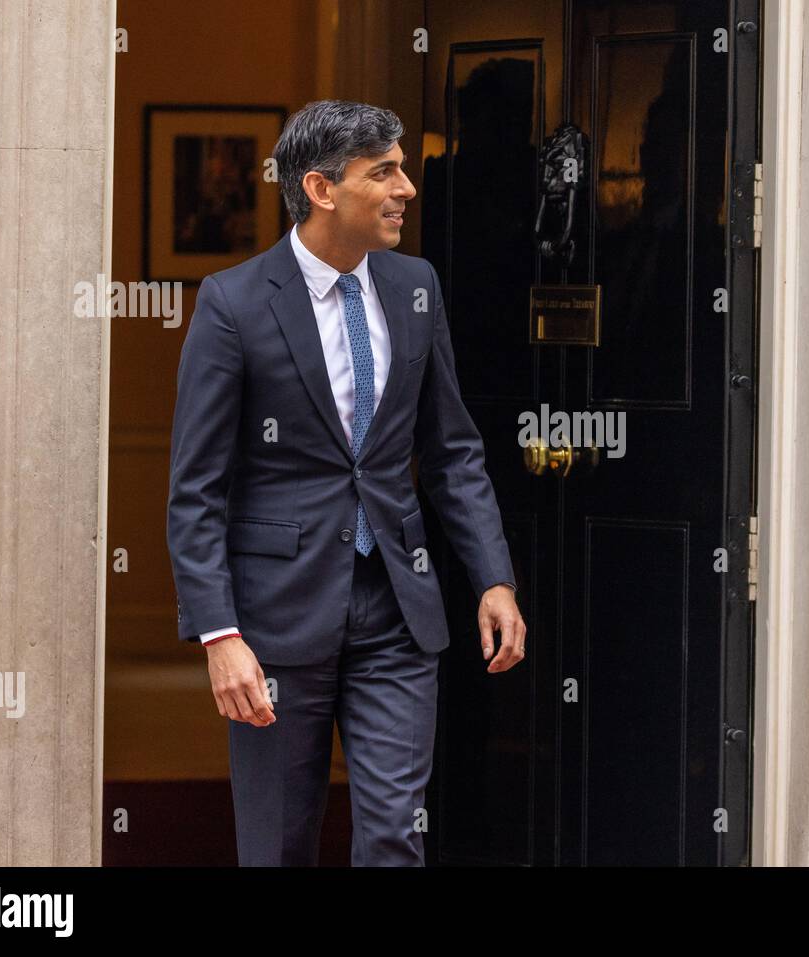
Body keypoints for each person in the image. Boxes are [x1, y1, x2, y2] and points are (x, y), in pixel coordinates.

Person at [166, 100, 526, 866]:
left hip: (397, 608)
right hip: (275, 622)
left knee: (396, 836)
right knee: (279, 844)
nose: (408, 187)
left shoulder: (415, 285)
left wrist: (493, 577)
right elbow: (197, 489)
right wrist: (219, 634)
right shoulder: (233, 303)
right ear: (323, 189)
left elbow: (453, 449)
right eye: (384, 172)